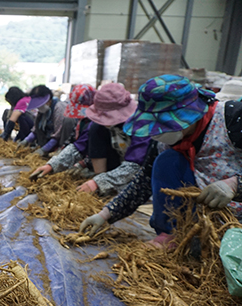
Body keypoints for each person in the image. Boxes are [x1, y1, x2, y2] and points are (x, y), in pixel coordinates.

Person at [80, 74, 242, 248]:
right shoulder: (163, 141)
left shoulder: (233, 119)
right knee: (166, 161)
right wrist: (107, 214)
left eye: (165, 124)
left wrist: (235, 184)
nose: (159, 132)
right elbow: (144, 181)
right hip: (201, 215)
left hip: (235, 218)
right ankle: (173, 234)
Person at [29, 84, 96, 179]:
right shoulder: (82, 121)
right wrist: (53, 163)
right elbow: (74, 141)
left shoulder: (95, 124)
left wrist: (83, 163)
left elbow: (91, 148)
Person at [18, 85, 68, 156]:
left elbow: (57, 135)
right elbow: (36, 129)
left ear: (48, 100)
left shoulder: (58, 108)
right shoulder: (42, 111)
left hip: (59, 143)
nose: (38, 108)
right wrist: (26, 140)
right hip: (47, 141)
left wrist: (44, 149)